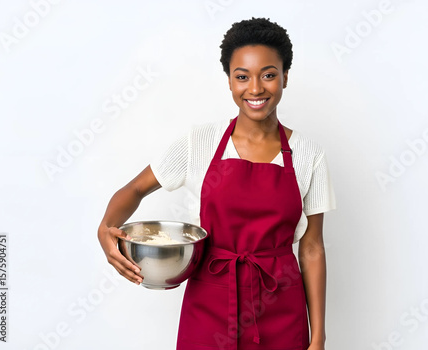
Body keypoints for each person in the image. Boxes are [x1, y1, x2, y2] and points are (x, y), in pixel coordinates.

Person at [98, 17, 336, 350]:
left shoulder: (308, 154)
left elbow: (311, 247)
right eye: (242, 77)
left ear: (285, 77)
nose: (255, 89)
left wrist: (319, 336)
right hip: (209, 307)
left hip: (281, 307)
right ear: (229, 81)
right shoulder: (201, 142)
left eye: (268, 75)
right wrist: (106, 228)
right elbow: (134, 189)